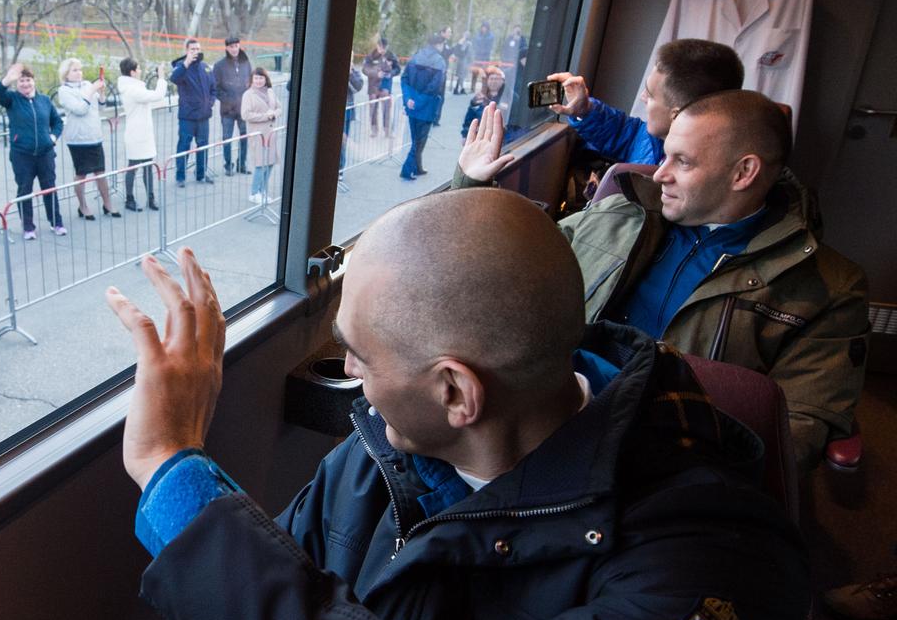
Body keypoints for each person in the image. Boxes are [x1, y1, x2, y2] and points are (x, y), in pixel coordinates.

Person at [104, 112, 809, 620]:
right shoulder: (379, 454)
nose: (349, 373)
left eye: (358, 354)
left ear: (455, 393)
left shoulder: (713, 567)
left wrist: (172, 468)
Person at [454, 92, 866, 475]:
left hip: (669, 464)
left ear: (743, 172)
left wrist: (677, 479)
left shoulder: (828, 289)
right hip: (549, 416)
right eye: (664, 155)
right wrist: (472, 186)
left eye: (682, 162)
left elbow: (796, 428)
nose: (659, 174)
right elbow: (506, 269)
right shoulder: (616, 213)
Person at [547, 39, 744, 165]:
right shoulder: (656, 139)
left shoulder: (691, 186)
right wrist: (586, 110)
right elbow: (625, 133)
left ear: (677, 116)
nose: (642, 97)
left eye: (650, 95)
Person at [0, 63, 66, 238]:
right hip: (22, 155)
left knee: (49, 188)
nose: (25, 84)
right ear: (16, 83)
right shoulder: (12, 99)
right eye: (21, 81)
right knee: (24, 189)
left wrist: (53, 138)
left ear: (34, 81)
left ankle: (56, 223)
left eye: (28, 80)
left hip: (45, 154)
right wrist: (6, 80)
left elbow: (57, 122)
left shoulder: (45, 101)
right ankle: (28, 227)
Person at [56, 58, 118, 220]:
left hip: (94, 136)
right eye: (74, 70)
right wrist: (91, 91)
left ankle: (107, 203)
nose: (79, 73)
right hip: (78, 139)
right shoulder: (64, 91)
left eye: (80, 69)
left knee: (100, 172)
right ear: (66, 74)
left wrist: (102, 92)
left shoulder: (86, 85)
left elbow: (102, 106)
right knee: (82, 174)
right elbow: (81, 109)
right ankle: (82, 206)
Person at [116, 57, 167, 213]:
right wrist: (161, 78)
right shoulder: (132, 90)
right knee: (133, 167)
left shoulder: (134, 87)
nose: (140, 71)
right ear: (132, 72)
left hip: (143, 133)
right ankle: (129, 199)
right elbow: (158, 95)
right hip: (136, 134)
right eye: (138, 69)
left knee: (148, 167)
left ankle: (150, 198)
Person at [398, 35, 446, 181]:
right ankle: (407, 170)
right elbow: (434, 87)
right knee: (419, 141)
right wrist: (418, 101)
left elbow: (404, 79)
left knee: (415, 139)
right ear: (439, 44)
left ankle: (418, 167)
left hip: (412, 107)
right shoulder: (439, 62)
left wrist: (408, 99)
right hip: (426, 108)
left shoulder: (415, 57)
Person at [171, 39, 217, 187]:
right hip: (188, 116)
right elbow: (174, 78)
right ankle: (180, 177)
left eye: (197, 49)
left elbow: (213, 88)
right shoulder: (181, 67)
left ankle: (201, 175)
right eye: (192, 49)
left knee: (203, 146)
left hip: (204, 116)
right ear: (186, 50)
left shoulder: (205, 67)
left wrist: (209, 104)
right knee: (184, 145)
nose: (196, 52)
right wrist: (186, 63)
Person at [240, 67, 280, 205]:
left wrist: (274, 113)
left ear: (265, 79)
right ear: (252, 79)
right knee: (260, 164)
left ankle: (262, 191)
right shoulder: (248, 95)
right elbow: (245, 115)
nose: (258, 81)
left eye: (261, 78)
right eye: (256, 78)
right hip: (257, 134)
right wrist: (265, 116)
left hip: (270, 134)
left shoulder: (270, 92)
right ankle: (254, 193)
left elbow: (279, 108)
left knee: (270, 164)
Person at [213, 36, 252, 177]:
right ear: (226, 48)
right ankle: (228, 165)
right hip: (227, 110)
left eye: (236, 46)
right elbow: (215, 88)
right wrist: (228, 100)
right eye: (231, 47)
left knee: (244, 137)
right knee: (227, 138)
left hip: (243, 109)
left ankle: (242, 164)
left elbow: (251, 82)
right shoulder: (219, 66)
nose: (234, 49)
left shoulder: (245, 62)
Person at [361, 37, 400, 138]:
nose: (382, 50)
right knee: (373, 109)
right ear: (377, 46)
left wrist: (391, 73)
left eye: (384, 48)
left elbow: (398, 69)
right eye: (380, 48)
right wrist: (376, 73)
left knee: (386, 109)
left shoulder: (391, 56)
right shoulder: (370, 56)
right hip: (373, 86)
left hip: (385, 86)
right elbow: (364, 69)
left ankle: (387, 131)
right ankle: (374, 130)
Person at [460, 64, 507, 140]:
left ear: (502, 81)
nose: (494, 81)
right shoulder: (479, 98)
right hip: (479, 137)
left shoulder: (508, 98)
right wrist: (465, 135)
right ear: (487, 81)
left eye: (497, 79)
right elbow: (469, 118)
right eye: (491, 79)